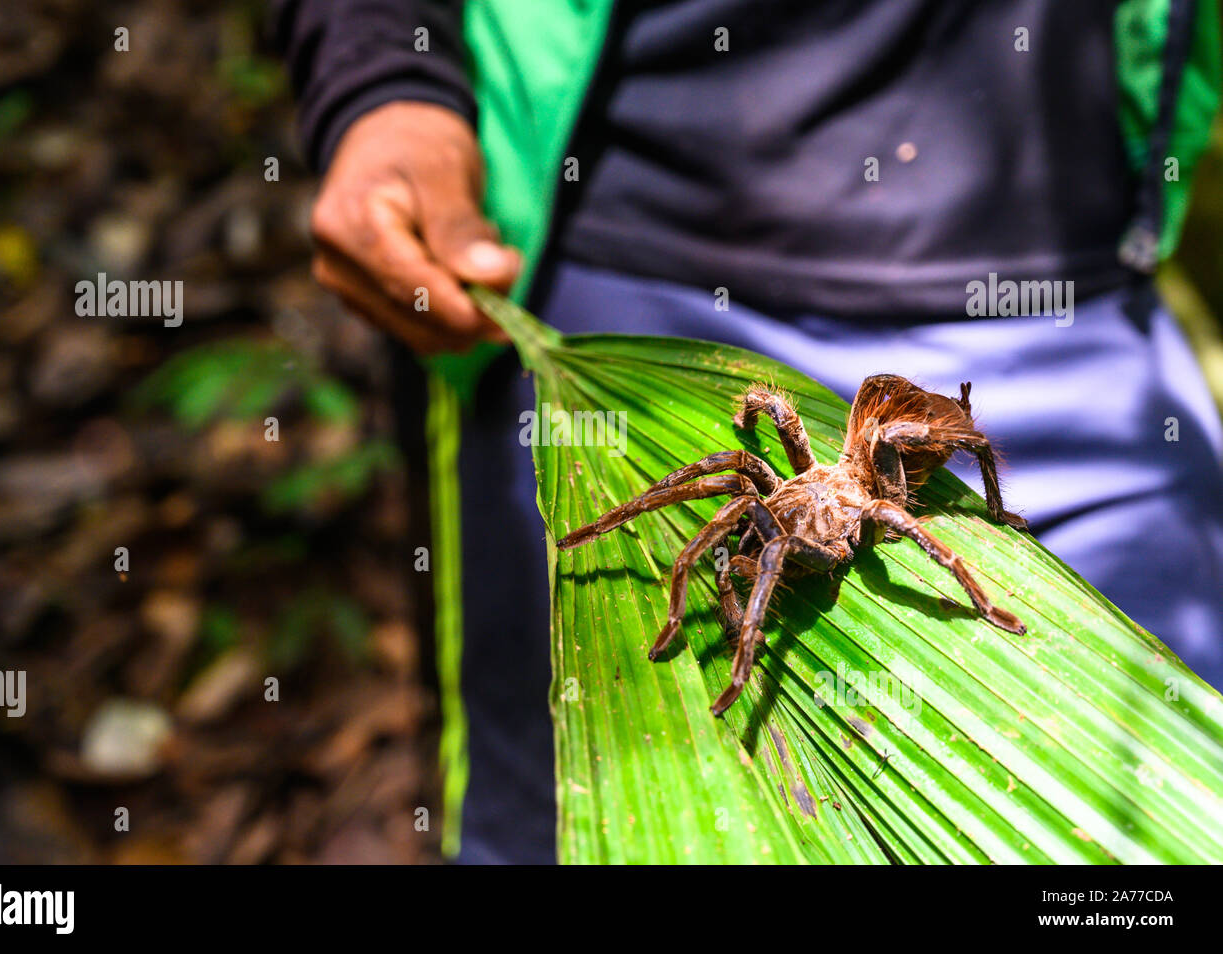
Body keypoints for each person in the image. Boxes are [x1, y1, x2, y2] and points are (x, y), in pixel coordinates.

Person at [273, 1, 1223, 863]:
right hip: (616, 254)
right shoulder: (773, 505)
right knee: (560, 809)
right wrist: (382, 80)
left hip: (1076, 278)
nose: (782, 534)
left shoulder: (874, 487)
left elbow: (907, 524)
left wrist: (974, 571)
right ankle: (635, 573)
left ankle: (833, 634)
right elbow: (745, 472)